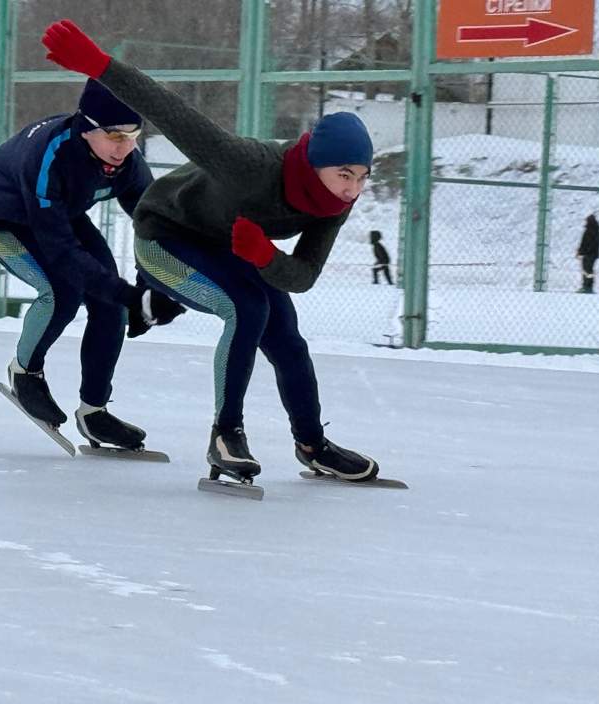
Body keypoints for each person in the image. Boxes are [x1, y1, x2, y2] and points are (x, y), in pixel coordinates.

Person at [41, 19, 382, 483]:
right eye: (345, 174)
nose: (353, 188)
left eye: (363, 176)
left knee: (286, 335)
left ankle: (312, 445)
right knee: (247, 307)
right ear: (318, 164)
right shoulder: (250, 165)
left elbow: (303, 275)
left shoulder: (333, 203)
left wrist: (265, 255)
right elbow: (172, 113)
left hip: (230, 246)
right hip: (165, 234)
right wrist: (101, 67)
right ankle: (226, 435)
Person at [0, 79, 185, 449]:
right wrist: (131, 296)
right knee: (60, 292)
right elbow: (62, 253)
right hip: (2, 214)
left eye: (134, 135)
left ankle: (94, 412)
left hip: (60, 215)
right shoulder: (51, 156)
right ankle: (25, 371)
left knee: (109, 305)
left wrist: (151, 286)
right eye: (114, 135)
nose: (125, 147)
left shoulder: (129, 162)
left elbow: (154, 226)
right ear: (87, 129)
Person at [575, 213, 599, 294]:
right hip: (593, 254)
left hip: (588, 254)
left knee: (587, 270)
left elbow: (584, 242)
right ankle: (589, 285)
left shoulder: (588, 230)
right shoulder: (597, 230)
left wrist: (581, 251)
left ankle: (587, 286)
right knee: (589, 270)